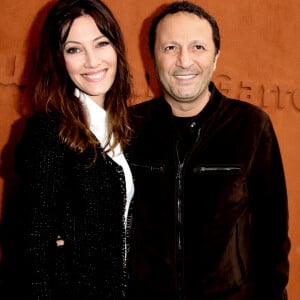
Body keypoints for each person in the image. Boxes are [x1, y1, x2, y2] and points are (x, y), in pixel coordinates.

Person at [126, 1, 290, 300]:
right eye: (170, 48)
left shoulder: (251, 126)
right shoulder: (126, 127)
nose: (184, 61)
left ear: (215, 58)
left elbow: (272, 234)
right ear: (153, 58)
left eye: (198, 47)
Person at [14, 0, 134, 298]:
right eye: (74, 49)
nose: (92, 61)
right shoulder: (48, 131)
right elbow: (32, 250)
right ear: (58, 59)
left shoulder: (125, 128)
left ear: (117, 48)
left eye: (101, 43)